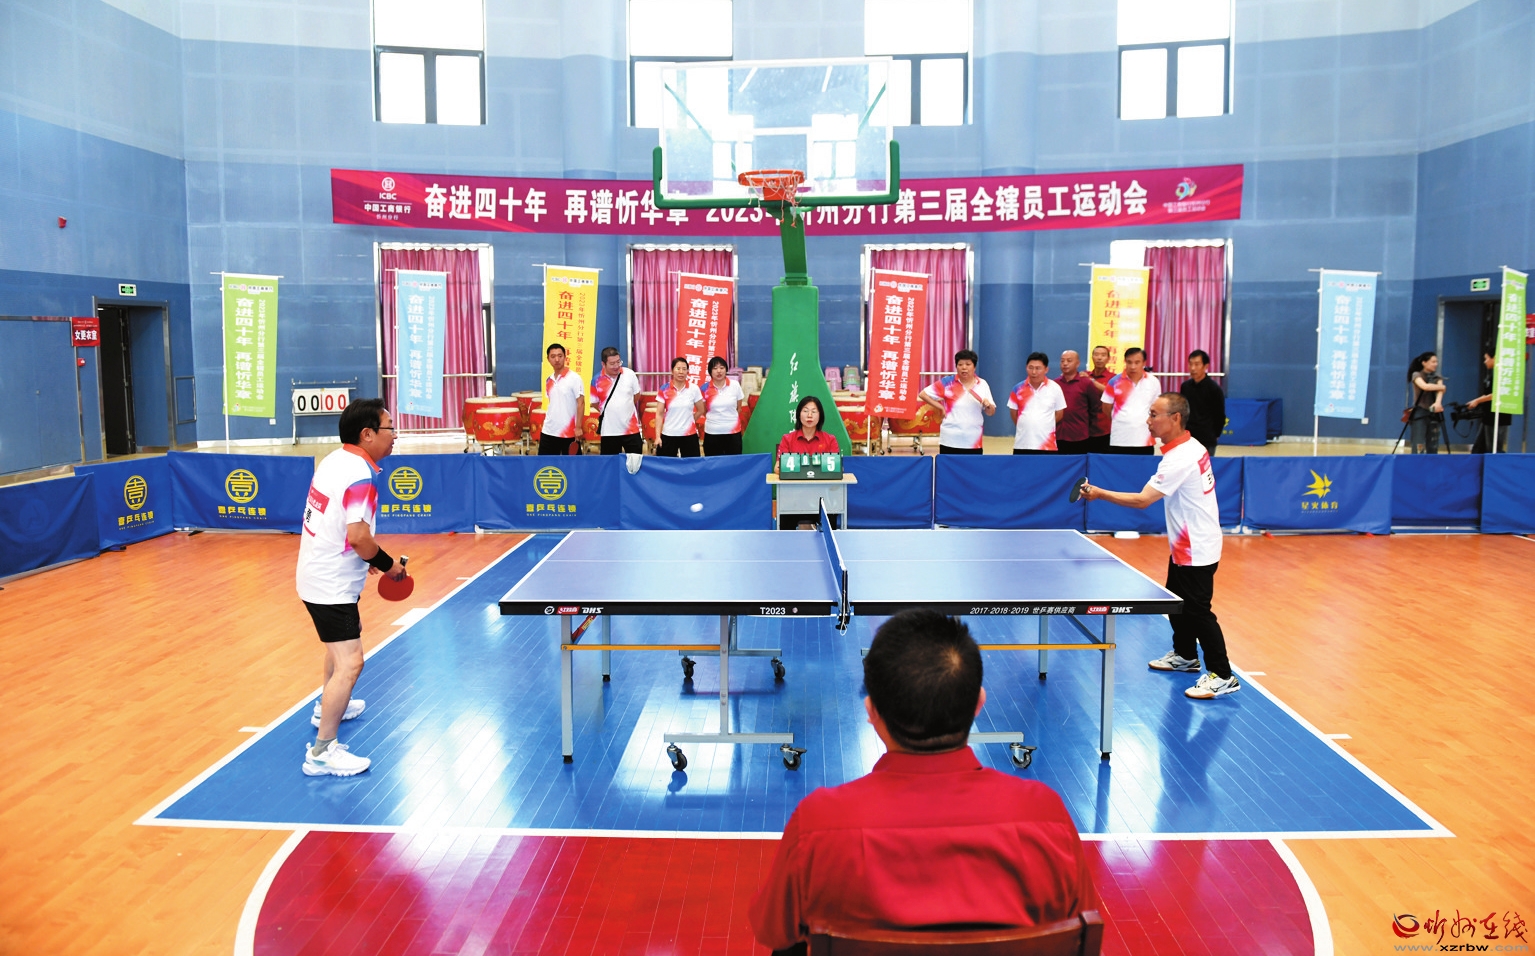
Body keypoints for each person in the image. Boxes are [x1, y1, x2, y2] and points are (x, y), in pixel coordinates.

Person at [748, 609, 1097, 950]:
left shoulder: (817, 825)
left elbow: (773, 931)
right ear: (979, 703)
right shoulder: (1047, 816)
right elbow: (1082, 924)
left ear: (871, 712)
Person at [1077, 393, 1238, 700]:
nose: (1148, 420)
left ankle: (1222, 674)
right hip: (1186, 544)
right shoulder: (1190, 446)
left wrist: (1099, 493)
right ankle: (1185, 655)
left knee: (1198, 612)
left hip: (1196, 547)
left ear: (1175, 418)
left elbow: (1142, 500)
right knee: (1176, 602)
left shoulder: (1180, 458)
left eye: (1154, 414)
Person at [295, 398, 407, 776]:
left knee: (340, 645)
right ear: (367, 434)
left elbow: (334, 524)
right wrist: (388, 566)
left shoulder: (334, 460)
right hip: (331, 585)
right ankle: (322, 752)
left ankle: (324, 707)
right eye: (390, 428)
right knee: (351, 661)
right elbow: (358, 536)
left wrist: (362, 555)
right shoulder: (360, 476)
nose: (395, 436)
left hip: (317, 573)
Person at [775, 395, 841, 529]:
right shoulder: (787, 439)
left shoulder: (830, 440)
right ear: (799, 414)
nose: (809, 415)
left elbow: (837, 468)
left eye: (814, 411)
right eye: (805, 411)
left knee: (831, 519)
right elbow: (777, 468)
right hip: (793, 498)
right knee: (785, 523)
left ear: (820, 416)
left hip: (823, 498)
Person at [918, 349, 996, 454]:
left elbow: (991, 412)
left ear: (974, 367)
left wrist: (988, 405)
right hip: (950, 439)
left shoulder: (982, 384)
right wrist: (940, 407)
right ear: (956, 366)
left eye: (968, 364)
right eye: (960, 364)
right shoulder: (947, 382)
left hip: (973, 440)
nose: (964, 367)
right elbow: (923, 394)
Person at [1102, 347, 1159, 454]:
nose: (1133, 366)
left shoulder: (1153, 381)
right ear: (1125, 362)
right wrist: (1120, 419)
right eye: (1129, 362)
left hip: (1145, 438)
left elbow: (1156, 408)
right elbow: (1106, 407)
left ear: (1144, 363)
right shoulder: (1114, 381)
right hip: (1120, 439)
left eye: (1137, 362)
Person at [1008, 351, 1067, 454]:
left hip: (1047, 446)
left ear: (1046, 369)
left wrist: (1045, 423)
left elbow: (1059, 414)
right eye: (1030, 368)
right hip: (1022, 445)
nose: (1034, 372)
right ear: (1026, 368)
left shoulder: (1055, 388)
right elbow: (1014, 414)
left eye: (1038, 368)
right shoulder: (1017, 388)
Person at [590, 346, 642, 455]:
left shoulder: (629, 374)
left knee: (635, 462)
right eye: (612, 363)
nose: (616, 366)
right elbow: (594, 403)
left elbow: (637, 395)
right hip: (609, 431)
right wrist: (610, 409)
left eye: (618, 362)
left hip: (631, 429)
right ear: (603, 364)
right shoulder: (596, 380)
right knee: (610, 463)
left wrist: (625, 407)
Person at [539, 342, 585, 455]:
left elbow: (581, 403)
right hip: (549, 430)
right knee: (545, 464)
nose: (557, 359)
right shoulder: (548, 380)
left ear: (565, 357)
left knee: (572, 465)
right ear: (548, 359)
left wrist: (578, 427)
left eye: (560, 356)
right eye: (553, 356)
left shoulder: (574, 378)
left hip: (569, 432)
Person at [654, 356, 705, 457]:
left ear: (688, 371)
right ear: (672, 371)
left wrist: (689, 420)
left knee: (692, 464)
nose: (681, 372)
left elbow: (701, 410)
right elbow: (659, 414)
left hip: (689, 435)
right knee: (666, 464)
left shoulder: (694, 389)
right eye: (678, 369)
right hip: (669, 433)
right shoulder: (664, 389)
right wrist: (657, 436)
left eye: (684, 369)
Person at [1179, 349, 1226, 453]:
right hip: (1187, 437)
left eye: (1197, 364)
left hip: (1206, 438)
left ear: (1206, 366)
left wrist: (1215, 434)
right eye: (1190, 364)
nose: (1193, 368)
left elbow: (1219, 415)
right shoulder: (1185, 387)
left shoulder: (1214, 389)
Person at [700, 356, 747, 455]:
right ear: (710, 371)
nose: (719, 371)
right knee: (713, 462)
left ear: (726, 369)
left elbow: (738, 408)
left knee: (734, 462)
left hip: (733, 432)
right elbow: (704, 411)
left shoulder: (735, 385)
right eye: (715, 368)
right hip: (712, 432)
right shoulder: (704, 388)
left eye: (722, 368)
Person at [1054, 349, 1097, 455]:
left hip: (1079, 435)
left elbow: (1094, 407)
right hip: (1058, 435)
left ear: (1078, 363)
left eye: (1069, 361)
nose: (1065, 364)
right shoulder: (1054, 384)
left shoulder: (1086, 383)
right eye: (1062, 361)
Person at [1466, 351, 1508, 454]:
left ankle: (1497, 465)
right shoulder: (1492, 375)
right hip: (1488, 416)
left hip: (1498, 417)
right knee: (1478, 449)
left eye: (1486, 358)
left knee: (1494, 449)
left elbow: (1497, 394)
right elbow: (1488, 393)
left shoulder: (1503, 375)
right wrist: (1476, 401)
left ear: (1495, 358)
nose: (1485, 362)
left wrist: (1477, 401)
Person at [1407, 351, 1446, 454]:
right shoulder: (1416, 375)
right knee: (1419, 444)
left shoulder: (1437, 376)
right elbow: (1425, 387)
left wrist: (1438, 403)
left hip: (1434, 412)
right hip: (1420, 412)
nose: (1436, 364)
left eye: (1436, 362)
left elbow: (1440, 392)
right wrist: (1441, 387)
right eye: (1433, 362)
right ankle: (1417, 461)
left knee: (1433, 444)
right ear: (1424, 363)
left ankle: (1431, 461)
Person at [1086, 345, 1114, 454]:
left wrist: (1092, 381)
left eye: (1103, 355)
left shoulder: (1113, 378)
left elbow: (1111, 392)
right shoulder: (1084, 376)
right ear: (1092, 357)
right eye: (1096, 355)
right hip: (1087, 428)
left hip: (1105, 429)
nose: (1099, 358)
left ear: (1108, 359)